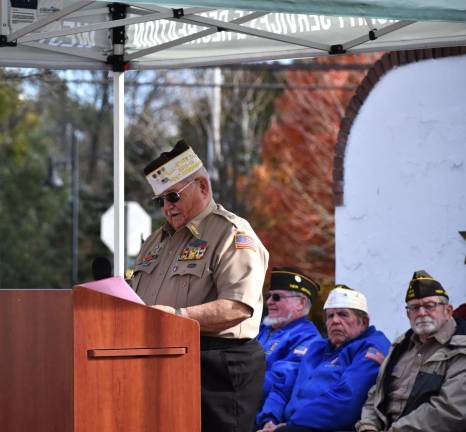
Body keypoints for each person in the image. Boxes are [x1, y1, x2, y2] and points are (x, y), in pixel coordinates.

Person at [130, 140, 269, 432]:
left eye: (173, 196)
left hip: (216, 367)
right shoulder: (157, 241)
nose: (167, 207)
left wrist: (175, 317)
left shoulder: (231, 233)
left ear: (203, 187)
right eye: (160, 201)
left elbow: (238, 307)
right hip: (164, 359)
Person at [256, 285, 390, 432]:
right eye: (330, 316)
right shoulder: (317, 348)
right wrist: (269, 418)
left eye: (343, 314)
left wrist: (291, 427)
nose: (335, 321)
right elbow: (283, 386)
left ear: (363, 322)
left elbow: (347, 401)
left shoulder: (372, 347)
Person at [356, 270, 466, 432]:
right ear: (408, 314)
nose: (421, 313)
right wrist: (368, 426)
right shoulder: (400, 347)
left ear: (448, 311)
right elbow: (375, 395)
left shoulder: (460, 349)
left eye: (429, 306)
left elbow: (450, 410)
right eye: (415, 307)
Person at [257, 266, 322, 400]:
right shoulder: (261, 329)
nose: (269, 302)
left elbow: (281, 380)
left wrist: (234, 383)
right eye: (268, 296)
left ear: (301, 303)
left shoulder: (308, 339)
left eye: (276, 297)